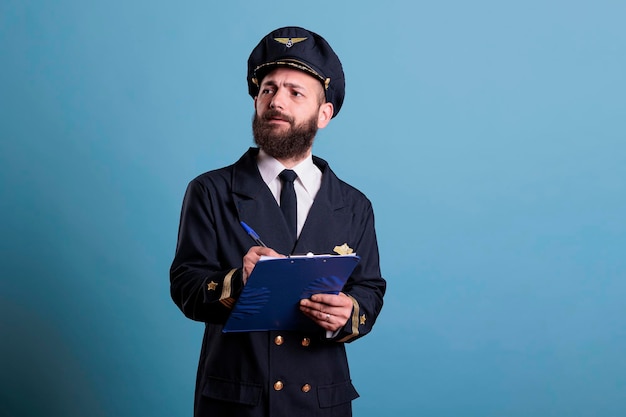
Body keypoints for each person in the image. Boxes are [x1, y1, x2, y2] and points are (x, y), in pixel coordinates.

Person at [170, 26, 386, 417]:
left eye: (294, 92)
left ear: (324, 114)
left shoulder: (354, 205)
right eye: (268, 89)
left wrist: (347, 312)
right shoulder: (211, 190)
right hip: (239, 402)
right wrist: (238, 280)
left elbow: (369, 289)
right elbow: (185, 284)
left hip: (321, 401)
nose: (276, 101)